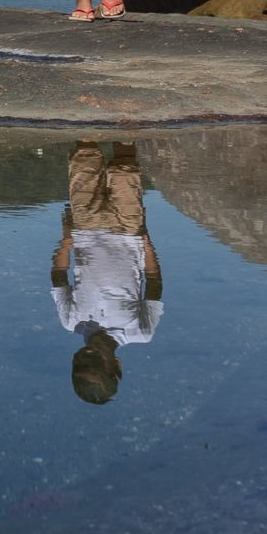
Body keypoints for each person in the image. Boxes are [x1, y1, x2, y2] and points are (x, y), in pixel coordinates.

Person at [49, 141, 163, 404]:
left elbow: (59, 278)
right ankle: (125, 120)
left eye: (81, 358)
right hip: (128, 233)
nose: (89, 351)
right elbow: (154, 286)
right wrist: (146, 242)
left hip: (85, 231)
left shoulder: (72, 322)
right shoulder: (139, 332)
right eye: (95, 359)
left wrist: (67, 239)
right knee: (125, 169)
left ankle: (90, 117)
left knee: (84, 164)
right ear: (117, 366)